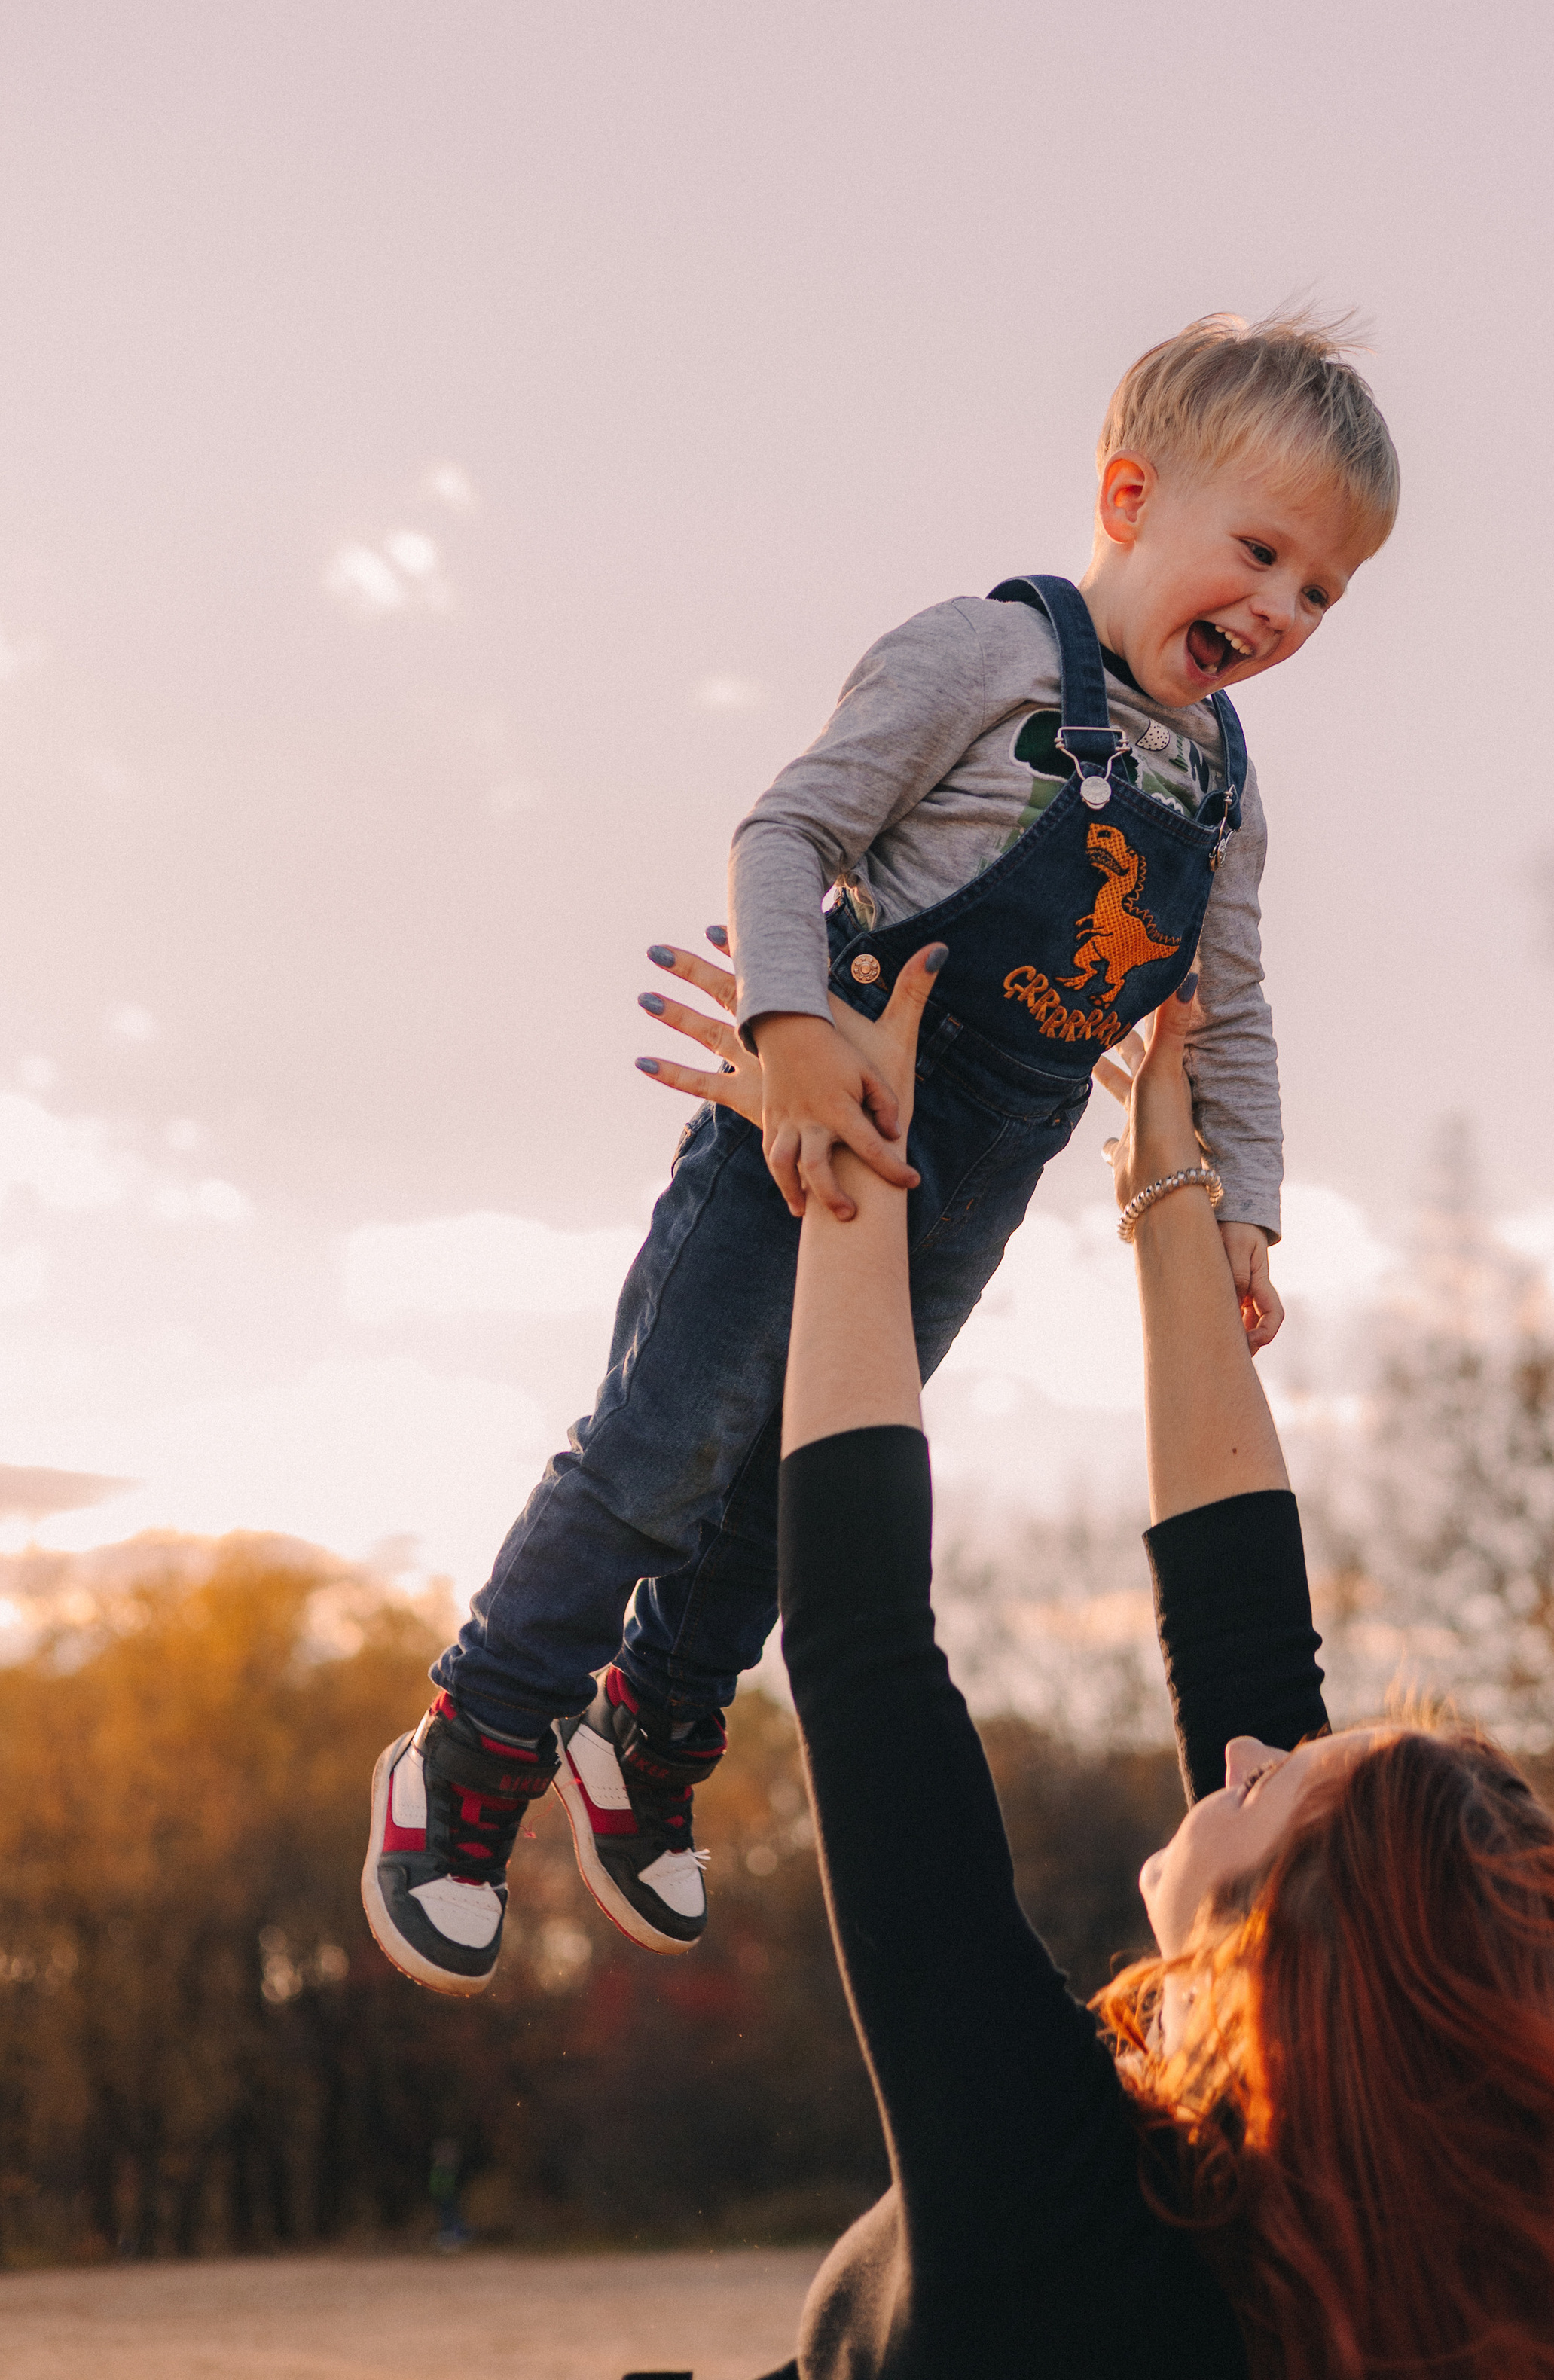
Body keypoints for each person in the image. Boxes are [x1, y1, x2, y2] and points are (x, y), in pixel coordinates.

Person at [643, 941, 1554, 2380]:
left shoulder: (1054, 2202)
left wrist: (851, 1166)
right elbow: (1240, 1620)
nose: (1249, 1748)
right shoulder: (1301, 2235)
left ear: (1289, 1969)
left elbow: (867, 1653)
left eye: (1277, 1783)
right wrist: (1167, 1185)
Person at [363, 313, 1399, 1994]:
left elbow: (1231, 1014)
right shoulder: (982, 661)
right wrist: (781, 1030)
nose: (1282, 609)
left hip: (973, 1167)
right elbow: (789, 829)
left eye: (1323, 592)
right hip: (820, 1105)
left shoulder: (1221, 797)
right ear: (1129, 498)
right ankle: (476, 1740)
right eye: (1262, 552)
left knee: (808, 1480)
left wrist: (1244, 1212)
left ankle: (653, 1729)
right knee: (665, 1447)